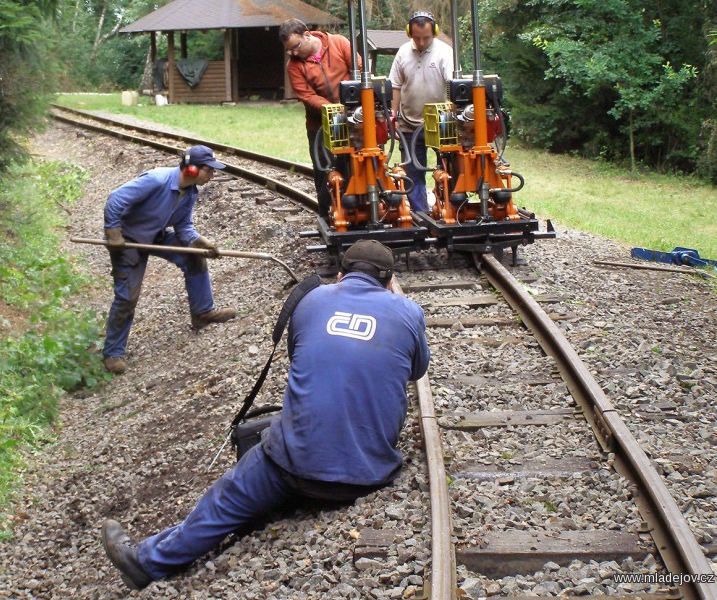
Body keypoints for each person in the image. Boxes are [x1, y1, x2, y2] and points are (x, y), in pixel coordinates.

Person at [101, 239, 430, 590]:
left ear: (340, 274)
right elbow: (416, 370)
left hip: (292, 469)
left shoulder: (311, 299)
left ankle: (147, 561)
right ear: (387, 281)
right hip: (370, 473)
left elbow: (299, 354)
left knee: (228, 496)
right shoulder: (408, 312)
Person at [101, 145, 236, 374]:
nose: (212, 175)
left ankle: (203, 312)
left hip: (156, 235)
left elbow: (183, 227)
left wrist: (200, 243)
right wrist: (113, 232)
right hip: (127, 239)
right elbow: (115, 200)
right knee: (127, 297)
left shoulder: (191, 192)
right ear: (192, 169)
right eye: (209, 170)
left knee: (195, 258)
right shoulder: (156, 180)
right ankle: (113, 352)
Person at [279, 18, 362, 218]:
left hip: (355, 118)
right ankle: (327, 214)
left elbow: (358, 68)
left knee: (360, 163)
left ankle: (360, 207)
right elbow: (306, 95)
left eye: (296, 47)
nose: (293, 53)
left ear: (307, 35)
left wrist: (351, 103)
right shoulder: (294, 66)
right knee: (324, 169)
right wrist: (332, 109)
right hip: (320, 124)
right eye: (289, 50)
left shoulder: (339, 43)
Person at [389, 11, 454, 213]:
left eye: (426, 37)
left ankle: (447, 211)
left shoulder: (445, 52)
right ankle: (421, 217)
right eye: (417, 38)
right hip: (409, 125)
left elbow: (452, 85)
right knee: (413, 174)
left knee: (449, 171)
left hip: (440, 126)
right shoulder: (402, 52)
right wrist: (393, 117)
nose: (421, 42)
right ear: (410, 33)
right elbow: (395, 86)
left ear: (434, 32)